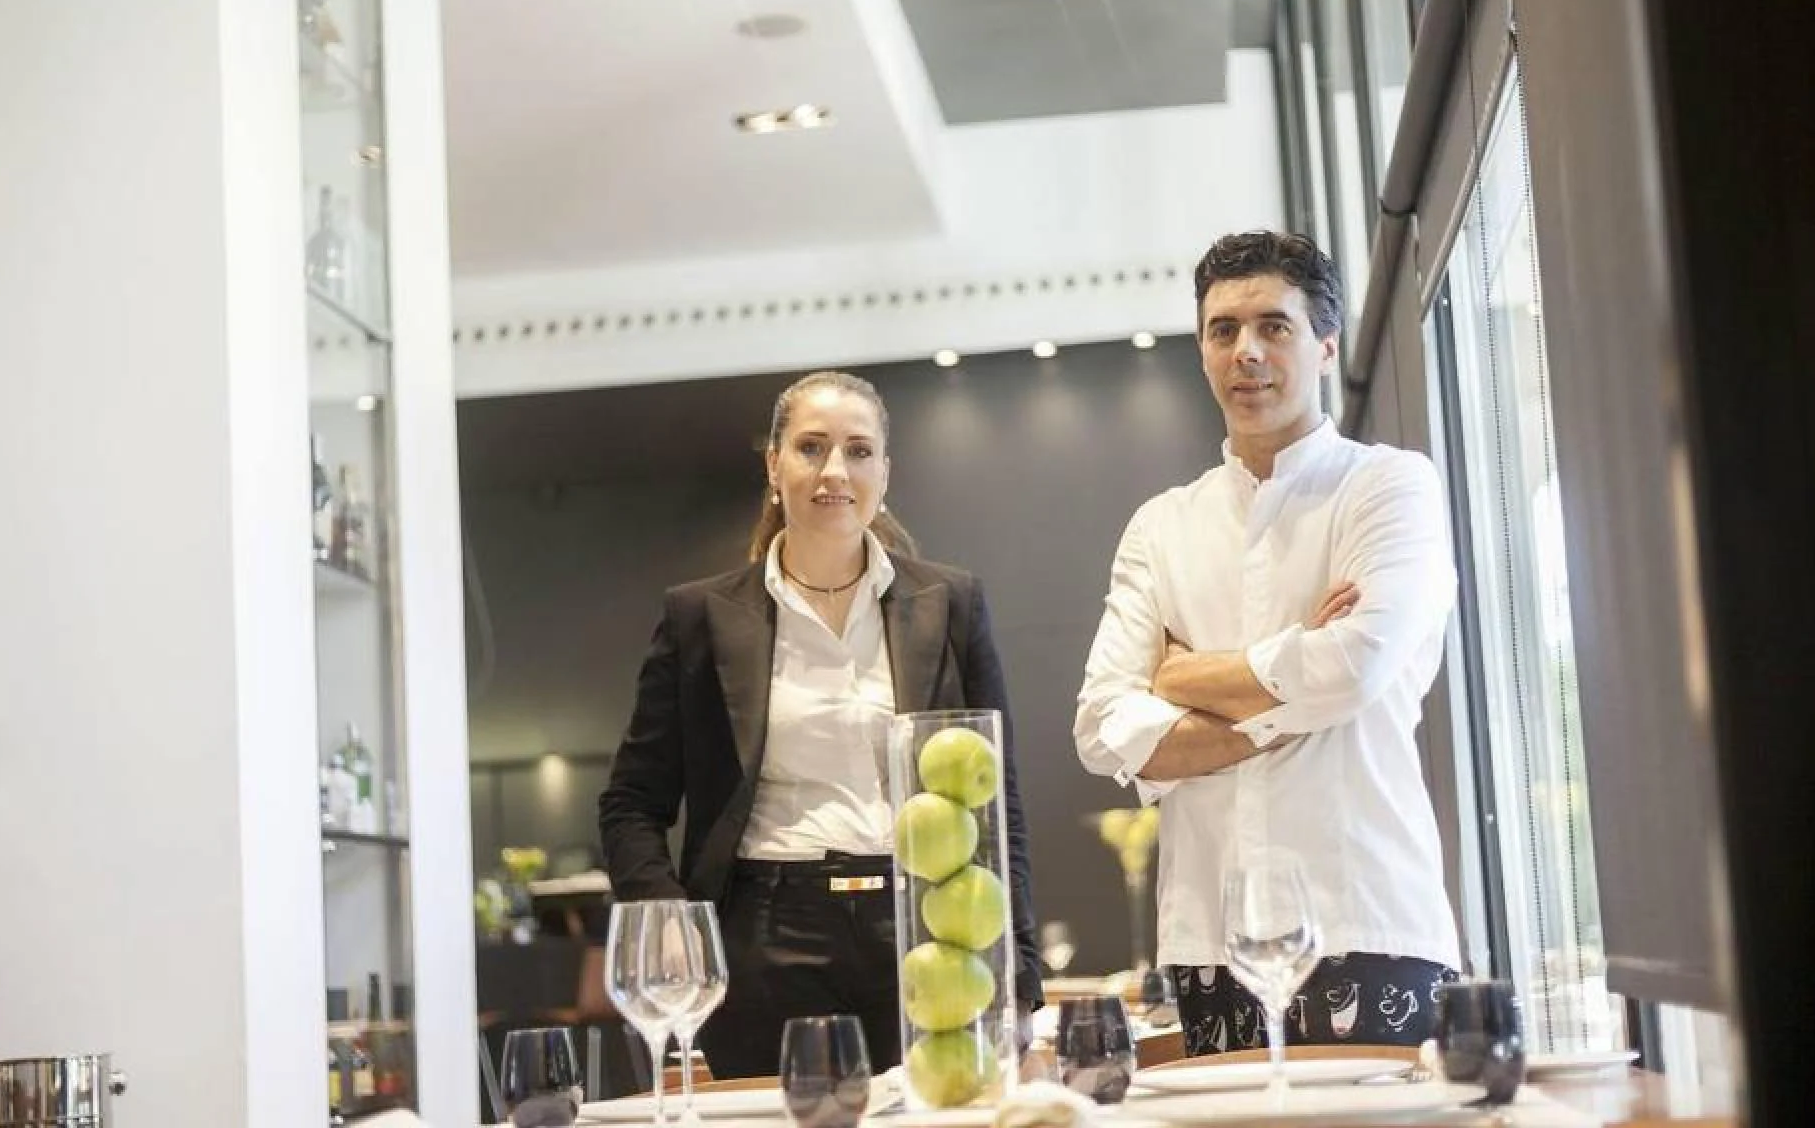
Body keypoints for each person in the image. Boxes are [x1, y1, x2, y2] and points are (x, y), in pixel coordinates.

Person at [1073, 231, 1462, 1056]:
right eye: (1223, 331)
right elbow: (1102, 723)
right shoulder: (1161, 525)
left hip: (1365, 918)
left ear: (1324, 345)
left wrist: (1179, 676)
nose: (1246, 351)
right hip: (1209, 942)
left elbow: (1355, 663)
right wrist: (1285, 704)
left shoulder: (1389, 486)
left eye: (1273, 327)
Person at [599, 370, 1045, 1078]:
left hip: (927, 931)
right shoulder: (702, 617)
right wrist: (665, 917)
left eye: (858, 451)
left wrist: (1018, 969)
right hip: (763, 936)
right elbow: (631, 804)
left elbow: (1000, 805)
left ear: (884, 472)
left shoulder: (949, 602)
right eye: (811, 447)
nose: (835, 470)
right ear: (774, 465)